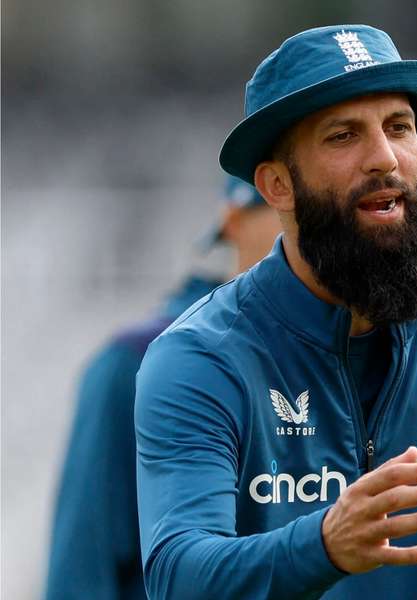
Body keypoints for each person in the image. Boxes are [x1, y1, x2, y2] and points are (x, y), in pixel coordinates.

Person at [135, 24, 417, 600]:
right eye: (343, 136)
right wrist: (322, 546)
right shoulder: (198, 357)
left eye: (399, 127)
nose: (384, 158)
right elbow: (179, 576)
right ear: (277, 186)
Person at [45, 176, 281, 600]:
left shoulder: (361, 358)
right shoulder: (131, 363)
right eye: (284, 204)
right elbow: (81, 569)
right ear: (234, 220)